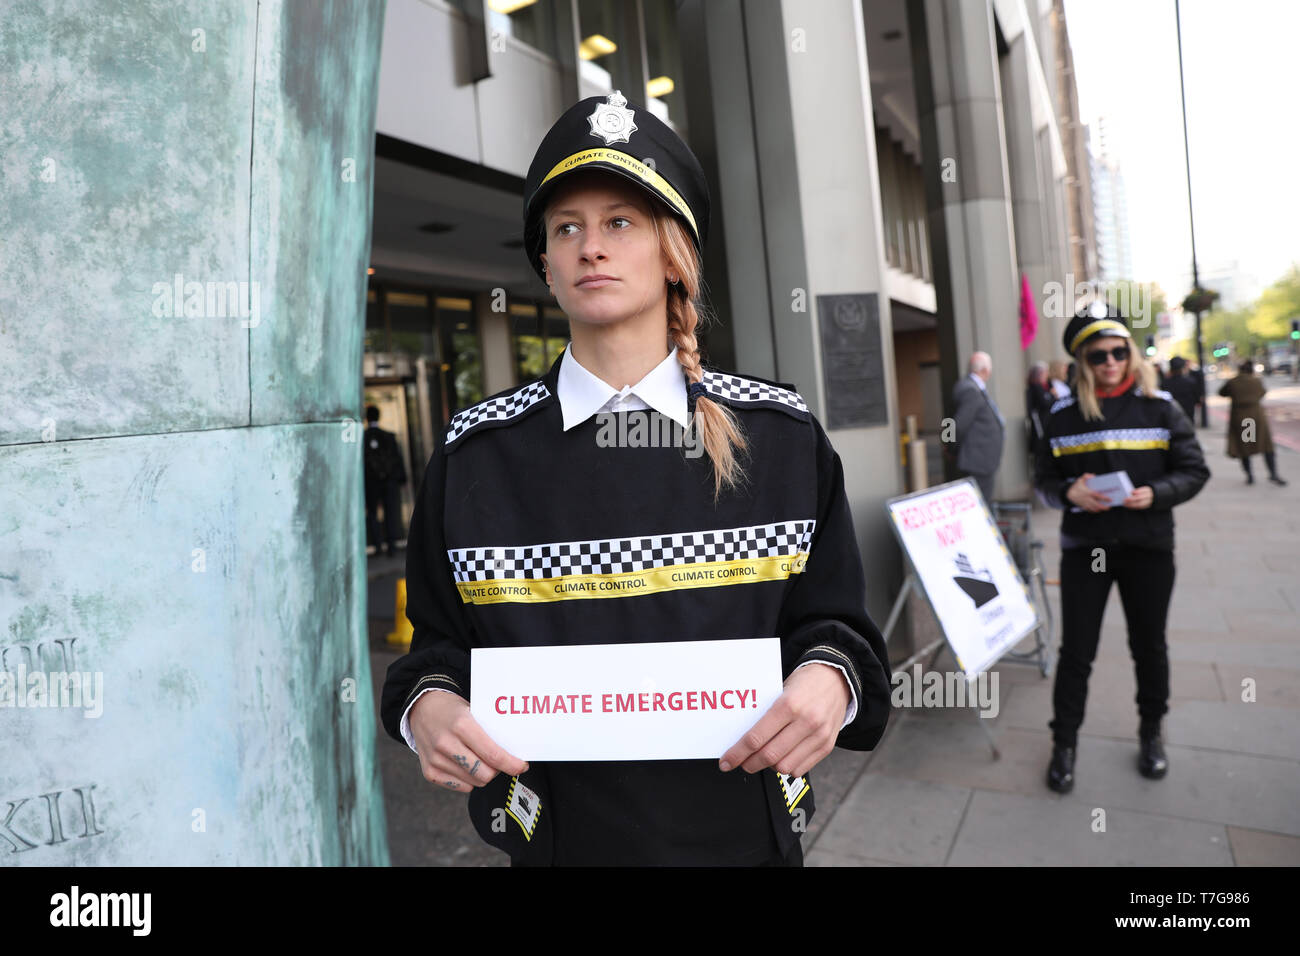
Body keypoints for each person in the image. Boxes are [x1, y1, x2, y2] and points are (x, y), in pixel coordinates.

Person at [380, 91, 892, 866]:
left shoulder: (781, 438)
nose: (592, 246)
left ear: (673, 251)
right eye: (567, 228)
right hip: (556, 847)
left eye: (620, 222)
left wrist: (830, 680)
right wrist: (430, 708)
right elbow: (438, 649)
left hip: (743, 840)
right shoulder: (473, 455)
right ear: (546, 268)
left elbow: (839, 627)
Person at [1034, 303, 1209, 793]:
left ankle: (1152, 732)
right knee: (1077, 652)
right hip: (1086, 548)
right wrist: (1067, 492)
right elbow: (1043, 479)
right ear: (1082, 363)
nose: (1110, 362)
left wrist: (1157, 493)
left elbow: (1195, 470)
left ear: (1130, 354)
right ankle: (1064, 743)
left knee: (1149, 646)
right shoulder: (1061, 414)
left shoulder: (1161, 406)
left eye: (1117, 352)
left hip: (1148, 546)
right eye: (1098, 356)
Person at [1219, 360, 1287, 485]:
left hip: (1243, 419)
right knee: (1266, 446)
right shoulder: (1256, 381)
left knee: (1245, 447)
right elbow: (1262, 393)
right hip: (1257, 417)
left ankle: (1250, 475)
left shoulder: (1233, 382)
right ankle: (1273, 473)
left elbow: (1222, 393)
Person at [951, 351, 1006, 504]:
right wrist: (949, 447)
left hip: (981, 459)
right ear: (985, 370)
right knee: (980, 503)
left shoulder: (972, 387)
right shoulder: (970, 389)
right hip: (978, 460)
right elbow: (955, 423)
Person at [363, 405, 408, 556]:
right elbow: (397, 459)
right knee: (390, 512)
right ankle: (391, 545)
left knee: (373, 513)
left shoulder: (363, 437)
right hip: (389, 482)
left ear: (367, 418)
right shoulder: (389, 436)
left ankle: (377, 546)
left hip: (371, 483)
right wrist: (401, 479)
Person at [1025, 361, 1054, 456]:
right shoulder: (1035, 387)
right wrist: (1052, 395)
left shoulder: (1049, 385)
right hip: (1040, 423)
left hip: (1048, 421)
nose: (1047, 375)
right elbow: (1045, 402)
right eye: (1045, 372)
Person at [1163, 357, 1201, 425]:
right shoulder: (1190, 381)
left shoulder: (1165, 383)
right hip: (1188, 412)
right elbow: (1196, 396)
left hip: (1171, 412)